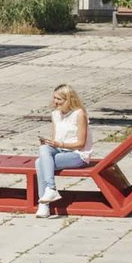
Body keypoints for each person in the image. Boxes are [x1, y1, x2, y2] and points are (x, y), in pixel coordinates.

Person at [35, 84, 92, 219]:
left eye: (59, 99)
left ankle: (44, 204)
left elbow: (81, 143)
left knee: (39, 163)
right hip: (61, 150)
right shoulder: (55, 114)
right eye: (54, 98)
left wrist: (59, 144)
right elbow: (56, 139)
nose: (55, 102)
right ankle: (50, 190)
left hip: (78, 154)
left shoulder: (79, 114)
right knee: (43, 150)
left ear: (69, 100)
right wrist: (50, 143)